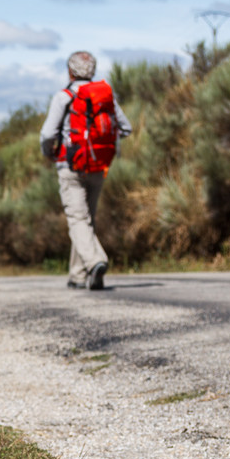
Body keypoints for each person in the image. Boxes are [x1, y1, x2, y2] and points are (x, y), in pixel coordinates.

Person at [39, 50, 132, 290]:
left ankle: (95, 261)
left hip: (70, 165)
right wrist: (102, 142)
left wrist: (49, 152)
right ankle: (77, 275)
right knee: (86, 219)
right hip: (99, 165)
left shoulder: (64, 97)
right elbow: (126, 128)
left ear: (70, 71)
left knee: (77, 219)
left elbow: (48, 134)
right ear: (92, 71)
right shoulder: (104, 96)